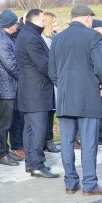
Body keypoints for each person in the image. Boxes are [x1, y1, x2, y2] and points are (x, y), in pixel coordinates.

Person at [48, 4, 102, 195]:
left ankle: (70, 183)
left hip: (65, 98)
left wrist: (65, 88)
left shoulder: (58, 38)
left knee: (67, 143)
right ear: (87, 19)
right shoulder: (91, 35)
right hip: (88, 98)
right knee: (88, 142)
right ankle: (90, 184)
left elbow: (52, 71)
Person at [16, 8, 58, 178]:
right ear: (34, 20)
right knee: (38, 129)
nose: (44, 22)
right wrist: (59, 73)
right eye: (42, 20)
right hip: (36, 92)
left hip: (31, 90)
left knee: (30, 129)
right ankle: (37, 165)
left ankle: (31, 163)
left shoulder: (27, 35)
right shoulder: (31, 38)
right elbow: (43, 65)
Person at [0, 9, 23, 167]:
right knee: (4, 123)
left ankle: (6, 151)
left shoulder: (8, 38)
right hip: (6, 89)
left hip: (12, 87)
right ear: (9, 24)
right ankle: (1, 154)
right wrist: (25, 78)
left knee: (11, 121)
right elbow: (11, 65)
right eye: (16, 22)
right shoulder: (2, 41)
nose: (17, 25)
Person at [41, 11, 59, 153]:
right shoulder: (43, 40)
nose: (56, 24)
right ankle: (47, 140)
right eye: (53, 22)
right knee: (47, 112)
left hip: (55, 79)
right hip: (47, 81)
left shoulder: (55, 37)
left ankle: (49, 138)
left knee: (52, 111)